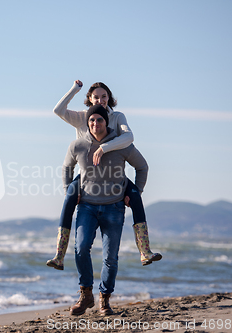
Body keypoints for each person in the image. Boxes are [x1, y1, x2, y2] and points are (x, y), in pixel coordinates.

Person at [47, 80, 161, 269]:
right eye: (96, 97)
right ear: (90, 100)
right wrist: (74, 90)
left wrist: (104, 148)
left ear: (109, 98)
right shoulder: (83, 117)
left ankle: (144, 251)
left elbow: (129, 137)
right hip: (88, 174)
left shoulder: (117, 117)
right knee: (68, 197)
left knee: (136, 197)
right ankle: (59, 255)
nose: (100, 100)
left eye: (104, 96)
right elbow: (58, 110)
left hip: (113, 173)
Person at [65, 105, 149, 316]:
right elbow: (67, 167)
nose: (95, 124)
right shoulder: (78, 145)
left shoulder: (121, 145)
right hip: (87, 207)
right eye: (91, 120)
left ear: (106, 122)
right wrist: (70, 191)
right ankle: (86, 294)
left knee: (110, 258)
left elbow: (142, 166)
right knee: (81, 248)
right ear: (87, 123)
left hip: (114, 208)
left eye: (99, 120)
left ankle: (104, 299)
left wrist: (136, 192)